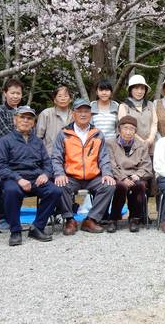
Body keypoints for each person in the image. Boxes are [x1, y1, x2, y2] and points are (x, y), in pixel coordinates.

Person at [0, 106, 62, 246]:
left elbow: (47, 163)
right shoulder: (5, 141)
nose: (25, 120)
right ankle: (15, 231)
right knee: (12, 191)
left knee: (55, 191)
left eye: (29, 118)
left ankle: (37, 227)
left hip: (35, 178)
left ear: (33, 123)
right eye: (22, 117)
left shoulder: (37, 142)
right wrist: (18, 179)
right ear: (15, 120)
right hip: (14, 178)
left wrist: (46, 174)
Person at [51, 99, 116, 235]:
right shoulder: (64, 134)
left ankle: (91, 219)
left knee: (109, 185)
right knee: (59, 185)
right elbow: (56, 157)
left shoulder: (97, 134)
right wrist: (59, 174)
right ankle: (70, 219)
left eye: (86, 111)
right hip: (71, 176)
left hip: (93, 177)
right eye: (79, 111)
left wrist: (107, 173)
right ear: (73, 114)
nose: (83, 114)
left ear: (91, 114)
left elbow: (103, 157)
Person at [105, 116, 153, 233]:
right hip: (118, 175)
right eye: (125, 128)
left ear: (135, 132)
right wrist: (123, 178)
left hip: (136, 175)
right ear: (119, 129)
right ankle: (114, 219)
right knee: (121, 186)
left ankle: (134, 218)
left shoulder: (141, 145)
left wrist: (138, 175)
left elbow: (146, 165)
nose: (128, 132)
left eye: (132, 129)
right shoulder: (110, 143)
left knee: (140, 185)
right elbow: (110, 164)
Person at [0, 77, 24, 229]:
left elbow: (32, 133)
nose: (15, 96)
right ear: (5, 93)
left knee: (16, 188)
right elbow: (4, 134)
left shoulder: (24, 112)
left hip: (20, 158)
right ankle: (0, 219)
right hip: (3, 158)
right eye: (12, 93)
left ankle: (13, 217)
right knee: (0, 189)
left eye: (18, 93)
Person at [118, 74, 157, 148]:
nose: (139, 91)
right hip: (132, 147)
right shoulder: (124, 106)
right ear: (131, 90)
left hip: (151, 145)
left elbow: (154, 123)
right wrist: (142, 142)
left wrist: (150, 139)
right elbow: (124, 127)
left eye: (142, 88)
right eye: (136, 88)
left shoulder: (150, 105)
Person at [36, 85, 73, 156]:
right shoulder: (46, 114)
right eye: (59, 96)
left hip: (70, 157)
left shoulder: (74, 115)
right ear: (55, 100)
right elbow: (38, 137)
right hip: (49, 155)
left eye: (66, 96)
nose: (63, 99)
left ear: (70, 99)